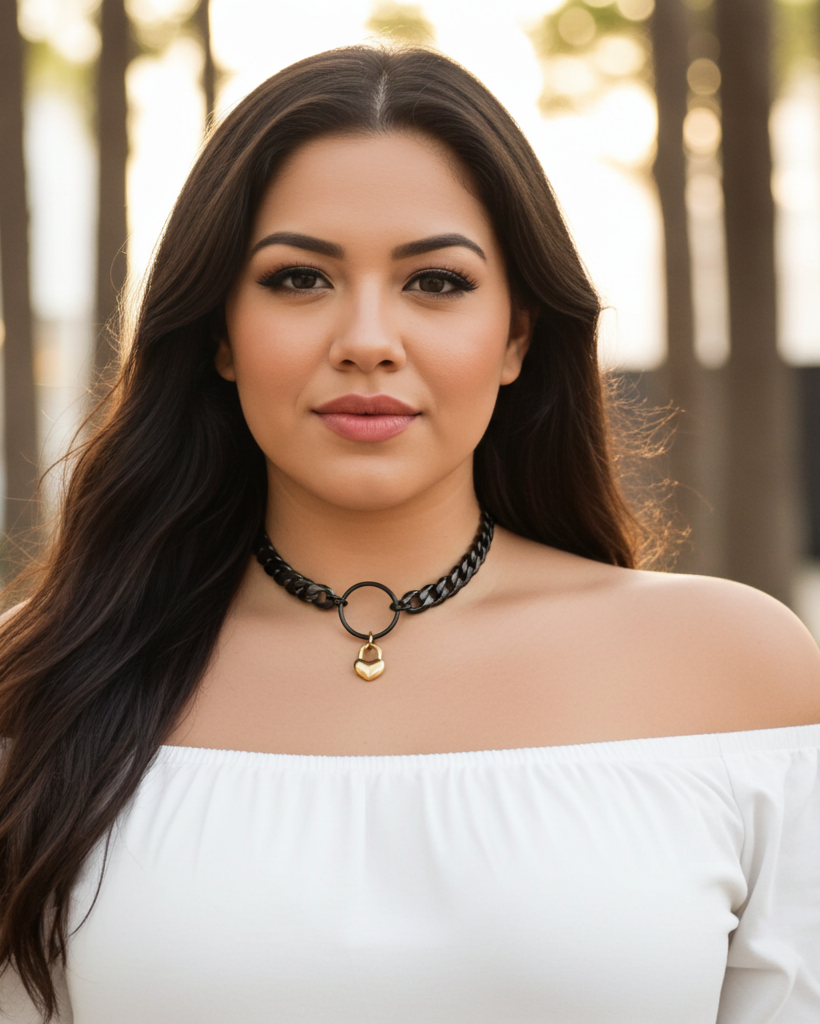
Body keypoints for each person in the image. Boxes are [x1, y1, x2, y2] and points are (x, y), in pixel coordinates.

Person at [0, 43, 818, 1024]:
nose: (367, 339)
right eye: (299, 279)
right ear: (218, 331)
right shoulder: (44, 675)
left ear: (518, 333)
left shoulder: (732, 668)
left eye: (435, 282)